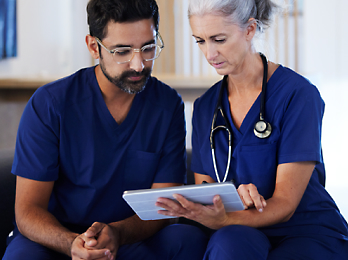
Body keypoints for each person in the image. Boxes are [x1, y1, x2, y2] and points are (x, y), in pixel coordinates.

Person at [2, 0, 208, 259]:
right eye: (122, 51)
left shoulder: (167, 106)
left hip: (129, 236)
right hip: (56, 239)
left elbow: (164, 210)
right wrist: (72, 244)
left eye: (148, 47)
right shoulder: (50, 104)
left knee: (186, 239)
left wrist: (118, 234)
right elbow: (28, 211)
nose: (138, 64)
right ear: (93, 46)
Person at [156, 0, 348, 259]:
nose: (209, 54)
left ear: (249, 30)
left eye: (219, 39)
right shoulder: (206, 107)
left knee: (230, 242)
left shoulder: (297, 95)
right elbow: (206, 190)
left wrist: (225, 219)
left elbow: (286, 205)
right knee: (178, 239)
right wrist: (215, 206)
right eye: (200, 41)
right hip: (238, 228)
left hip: (301, 230)